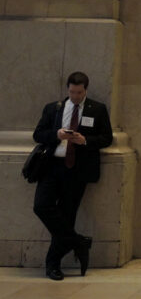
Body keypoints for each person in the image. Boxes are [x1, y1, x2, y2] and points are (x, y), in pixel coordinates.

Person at [32, 71, 113, 280]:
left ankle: (53, 266)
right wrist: (56, 135)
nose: (75, 96)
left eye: (79, 92)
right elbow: (38, 134)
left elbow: (106, 138)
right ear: (67, 90)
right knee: (41, 206)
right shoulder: (54, 108)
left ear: (85, 89)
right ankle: (78, 242)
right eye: (72, 92)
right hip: (52, 167)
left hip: (77, 170)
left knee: (67, 217)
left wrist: (84, 140)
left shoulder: (97, 109)